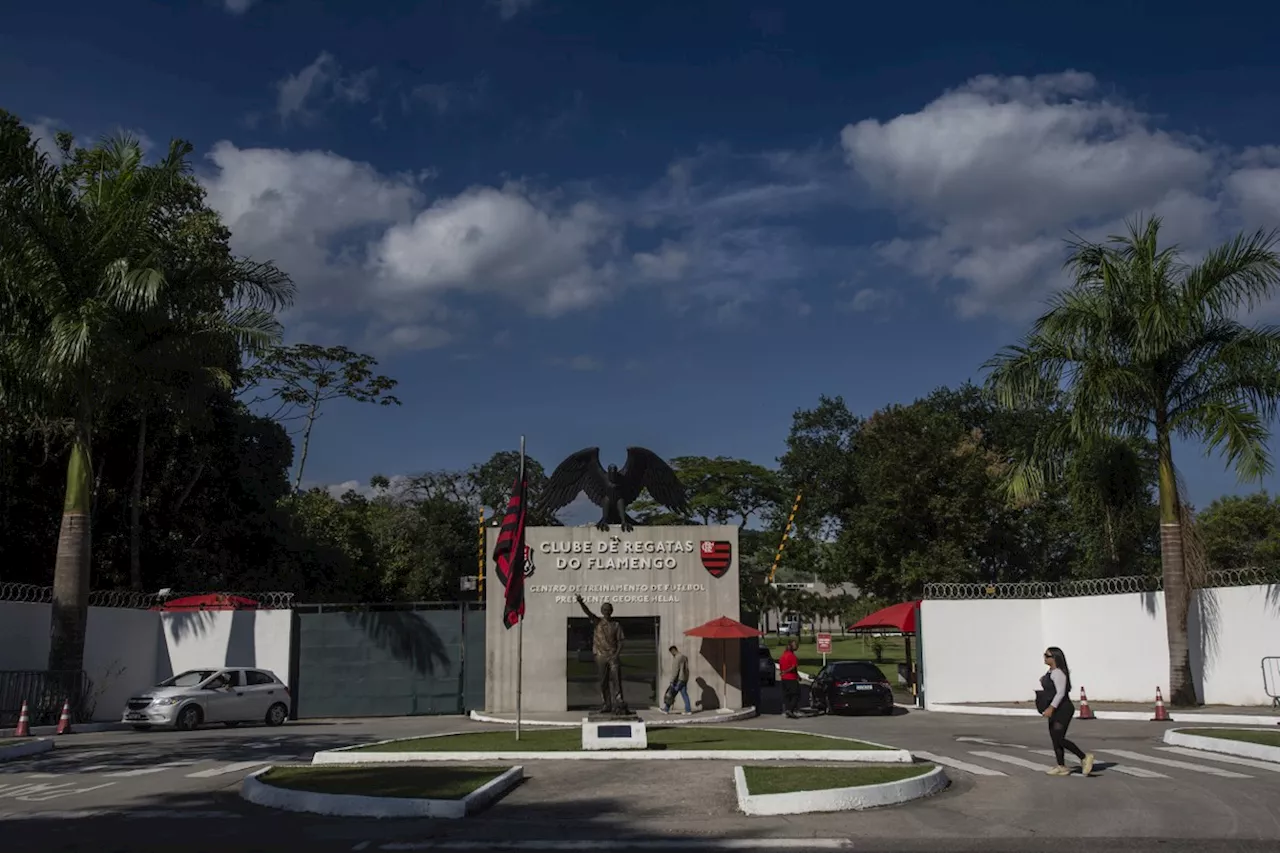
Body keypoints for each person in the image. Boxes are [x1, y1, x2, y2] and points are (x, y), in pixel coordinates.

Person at [1039, 646, 1095, 776]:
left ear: (1055, 658)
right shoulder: (1050, 672)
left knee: (1059, 738)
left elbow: (1060, 693)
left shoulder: (1058, 673)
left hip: (1062, 709)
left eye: (1047, 656)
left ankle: (1084, 757)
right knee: (1055, 738)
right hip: (1055, 708)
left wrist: (1051, 708)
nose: (1044, 658)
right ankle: (1061, 765)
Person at [575, 594, 627, 713]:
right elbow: (588, 612)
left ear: (611, 611)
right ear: (602, 611)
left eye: (608, 610)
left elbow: (621, 641)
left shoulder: (616, 625)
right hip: (601, 656)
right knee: (603, 681)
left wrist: (616, 654)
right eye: (604, 610)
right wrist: (581, 602)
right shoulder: (597, 622)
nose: (606, 612)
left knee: (616, 680)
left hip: (613, 656)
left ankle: (619, 702)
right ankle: (606, 704)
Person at [660, 645, 692, 715]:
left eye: (671, 652)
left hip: (678, 680)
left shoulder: (677, 658)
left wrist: (672, 680)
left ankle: (666, 709)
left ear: (673, 650)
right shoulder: (684, 657)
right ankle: (688, 710)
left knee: (672, 694)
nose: (671, 654)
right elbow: (686, 669)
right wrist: (686, 678)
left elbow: (675, 671)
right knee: (684, 695)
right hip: (684, 679)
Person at [778, 639, 801, 718]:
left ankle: (787, 709)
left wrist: (783, 672)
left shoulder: (782, 656)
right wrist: (787, 672)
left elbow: (781, 666)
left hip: (784, 678)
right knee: (796, 694)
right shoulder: (792, 656)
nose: (797, 646)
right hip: (791, 678)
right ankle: (790, 709)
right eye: (795, 645)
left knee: (787, 695)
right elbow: (793, 667)